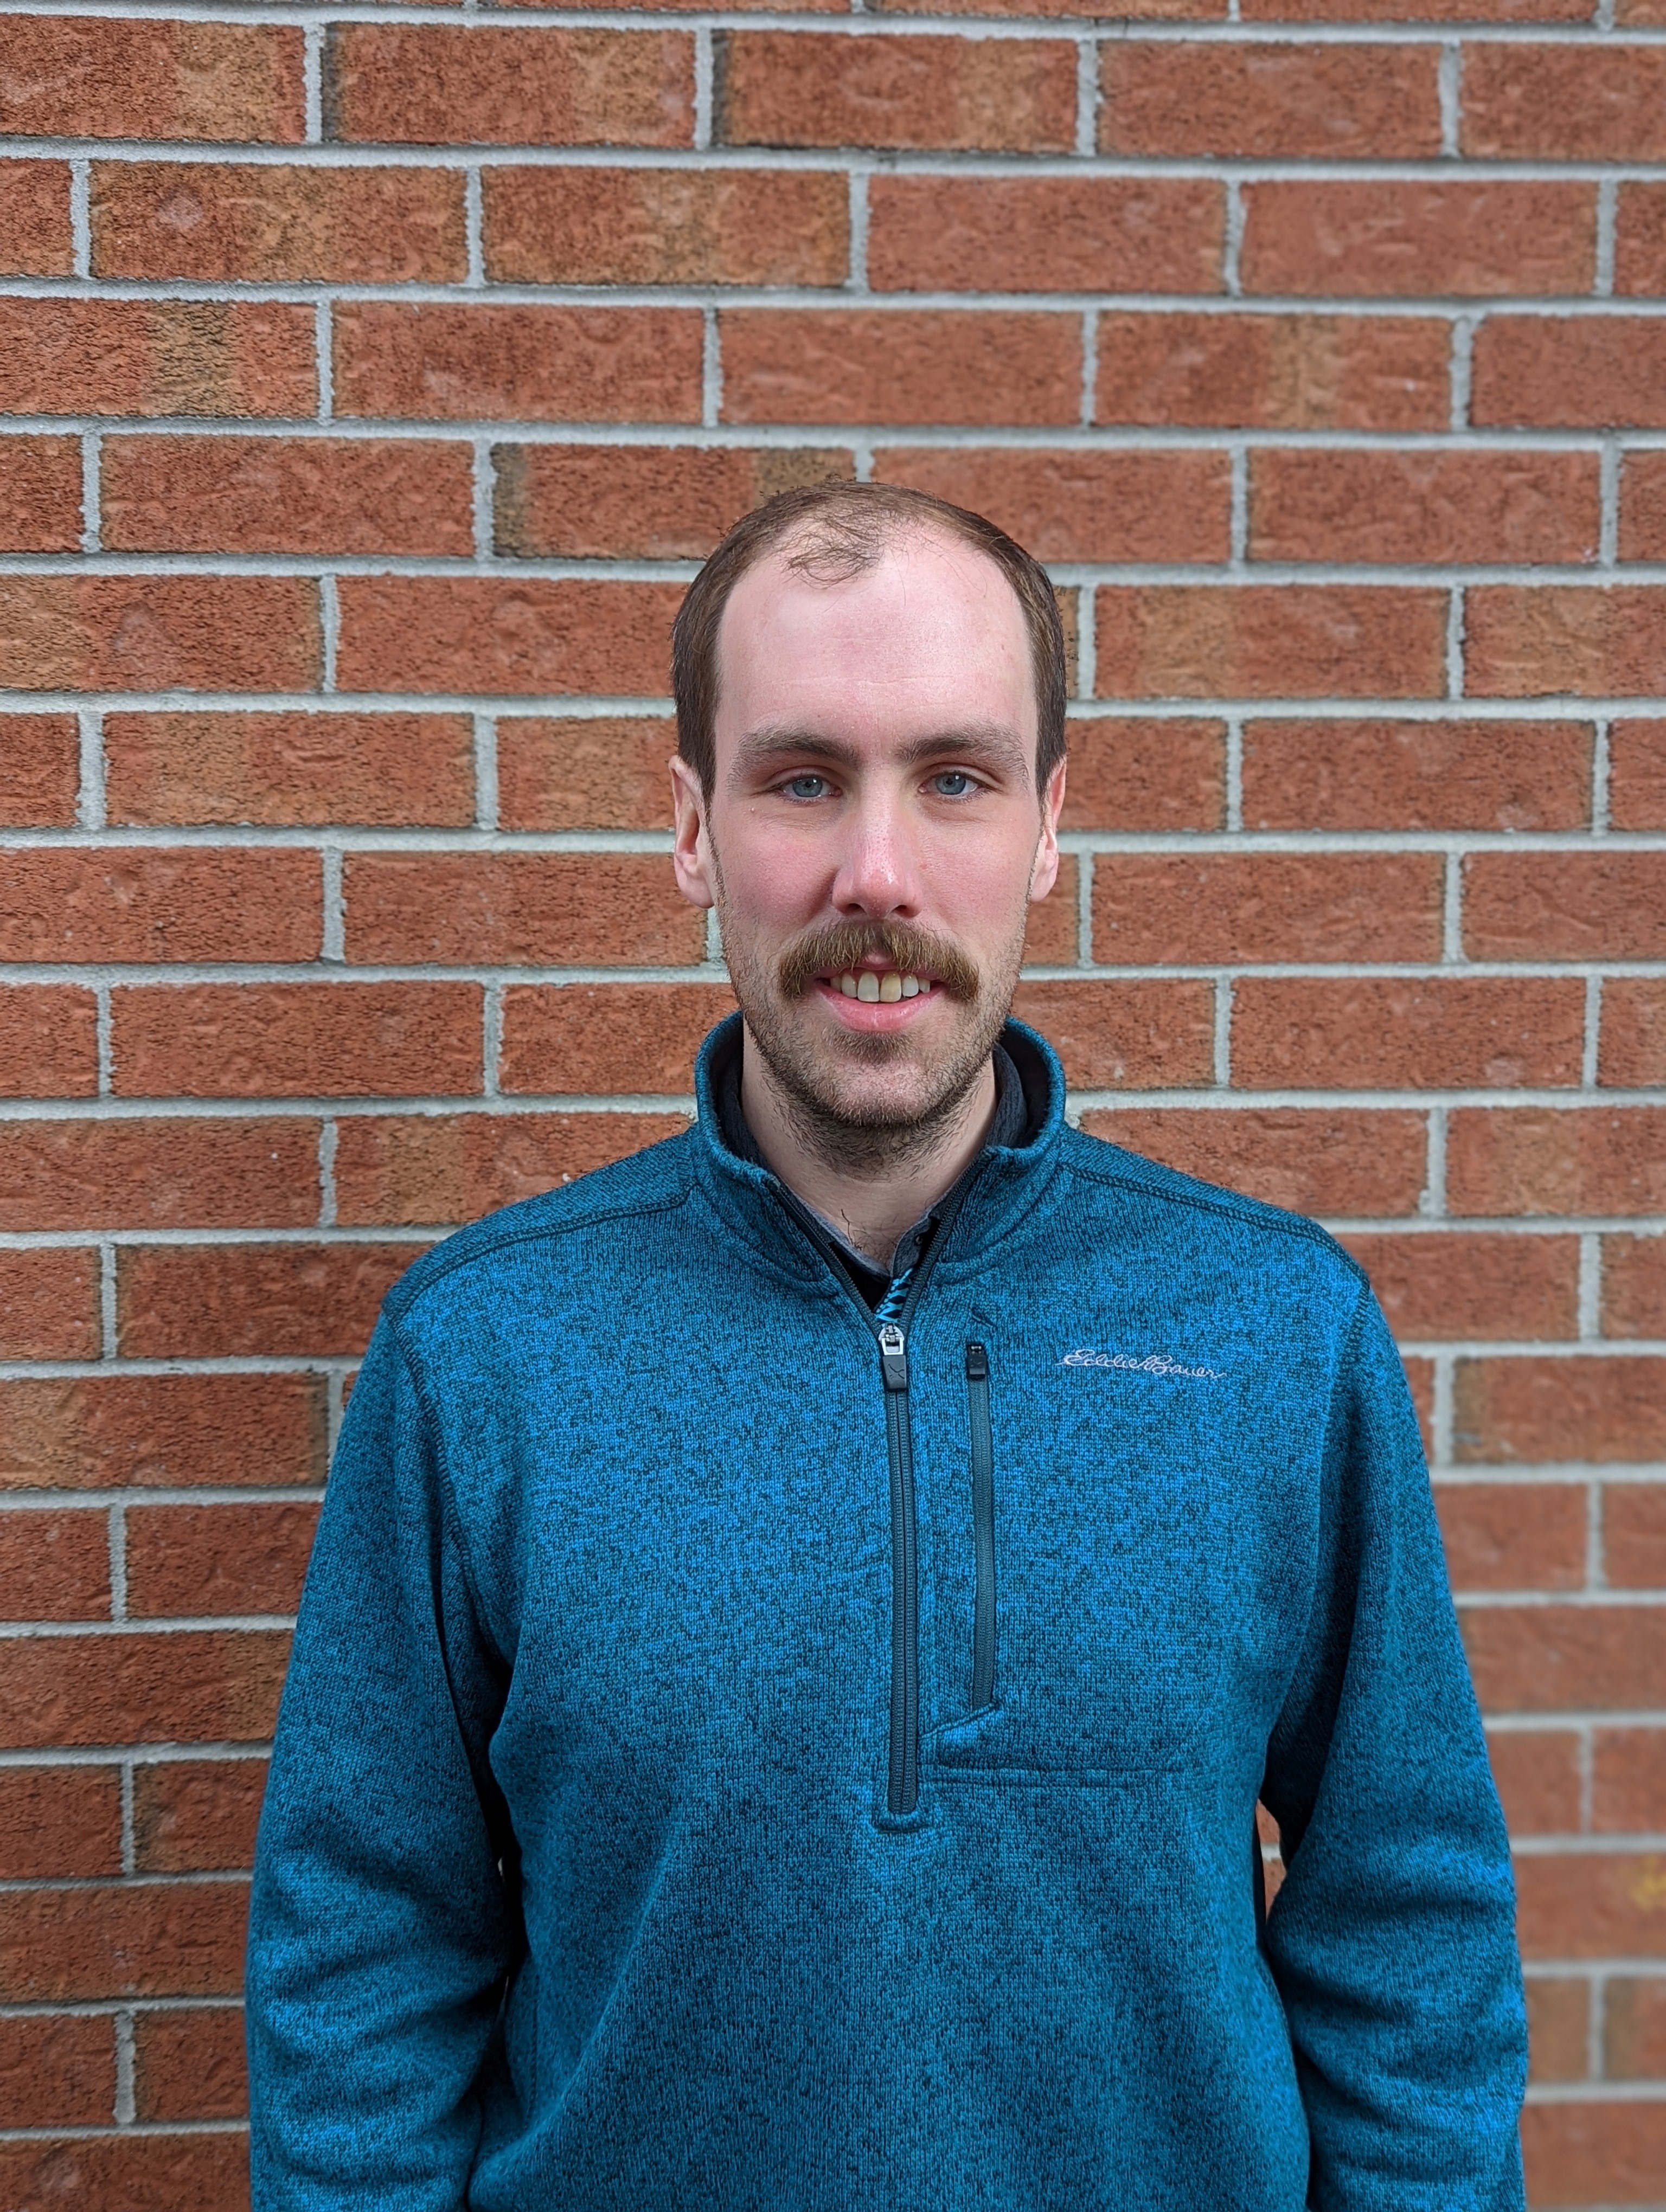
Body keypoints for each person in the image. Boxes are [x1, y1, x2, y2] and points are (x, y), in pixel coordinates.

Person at [246, 482, 1527, 2210]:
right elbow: (361, 1964)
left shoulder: (1271, 1335)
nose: (877, 872)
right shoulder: (486, 1357)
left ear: (1049, 826)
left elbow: (1408, 1937)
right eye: (801, 780)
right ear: (692, 827)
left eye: (955, 779)